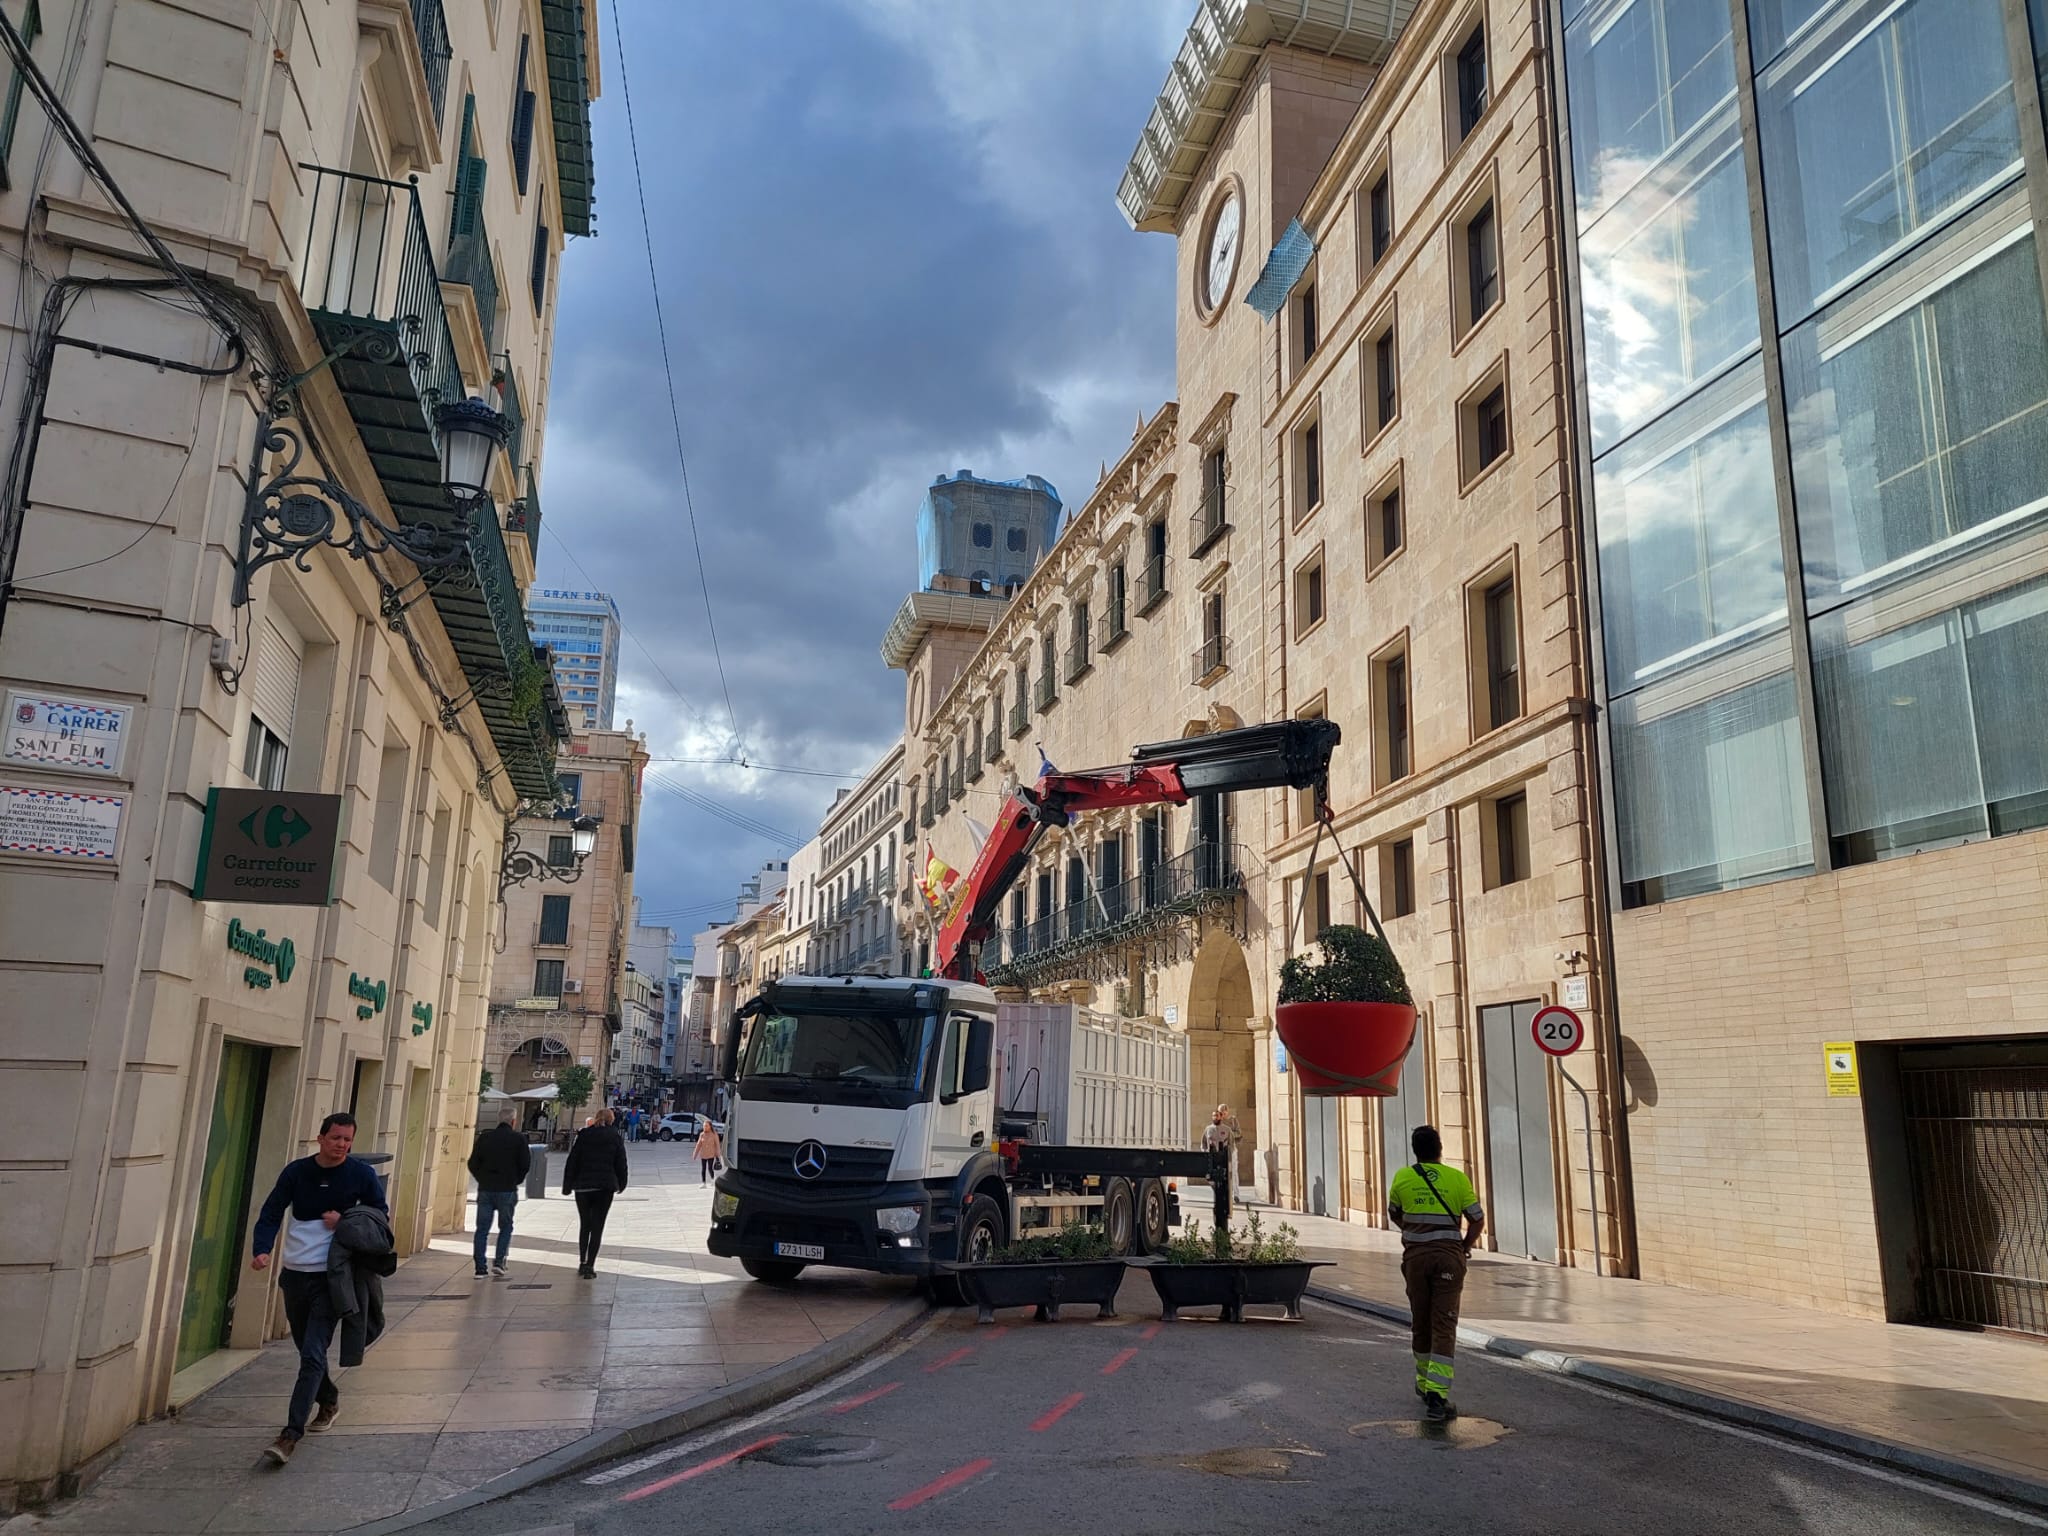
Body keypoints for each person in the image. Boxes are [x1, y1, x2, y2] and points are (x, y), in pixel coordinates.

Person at [248, 1112, 388, 1465]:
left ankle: (289, 1435)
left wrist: (345, 1222)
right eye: (336, 1138)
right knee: (305, 1350)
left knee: (312, 1352)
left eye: (347, 1140)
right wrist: (261, 1249)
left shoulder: (361, 1175)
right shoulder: (296, 1172)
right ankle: (329, 1399)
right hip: (294, 1275)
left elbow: (379, 1215)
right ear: (320, 1138)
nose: (342, 1145)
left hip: (332, 1279)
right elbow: (271, 1212)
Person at [1386, 1124, 1485, 1423]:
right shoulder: (1457, 1178)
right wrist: (1464, 1246)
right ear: (1440, 1148)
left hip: (1415, 1260)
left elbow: (1394, 1212)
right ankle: (1437, 1398)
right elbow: (1477, 1219)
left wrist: (1415, 1232)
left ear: (1415, 1151)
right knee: (1444, 1325)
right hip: (1448, 1261)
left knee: (1422, 1321)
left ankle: (1422, 1383)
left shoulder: (1403, 1177)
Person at [563, 1107, 629, 1277]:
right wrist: (622, 1183)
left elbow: (573, 1160)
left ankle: (582, 1261)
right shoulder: (614, 1136)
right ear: (611, 1120)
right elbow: (621, 1162)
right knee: (597, 1226)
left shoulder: (584, 1135)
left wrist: (567, 1185)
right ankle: (590, 1266)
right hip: (604, 1187)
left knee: (585, 1225)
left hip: (583, 1187)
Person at [467, 1109, 532, 1279]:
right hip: (507, 1189)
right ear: (513, 1121)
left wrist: (482, 1178)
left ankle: (480, 1268)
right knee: (506, 1227)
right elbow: (525, 1164)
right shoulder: (519, 1139)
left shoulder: (485, 1138)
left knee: (482, 1229)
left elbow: (473, 1162)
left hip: (486, 1189)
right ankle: (499, 1262)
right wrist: (515, 1179)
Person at [1203, 1106, 1234, 1230]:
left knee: (1223, 1189)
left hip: (1224, 1162)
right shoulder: (1208, 1129)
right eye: (1213, 1116)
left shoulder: (1227, 1130)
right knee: (1214, 1185)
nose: (1215, 1118)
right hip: (1212, 1161)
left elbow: (1232, 1145)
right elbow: (1203, 1143)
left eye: (1217, 1115)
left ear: (1221, 1117)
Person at [694, 1117, 722, 1184]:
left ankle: (712, 1179)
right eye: (704, 1126)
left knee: (710, 1168)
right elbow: (698, 1144)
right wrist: (695, 1154)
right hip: (703, 1154)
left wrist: (718, 1156)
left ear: (710, 1126)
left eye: (706, 1126)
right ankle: (703, 1183)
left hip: (711, 1154)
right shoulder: (702, 1134)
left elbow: (717, 1145)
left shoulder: (714, 1134)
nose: (704, 1127)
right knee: (703, 1169)